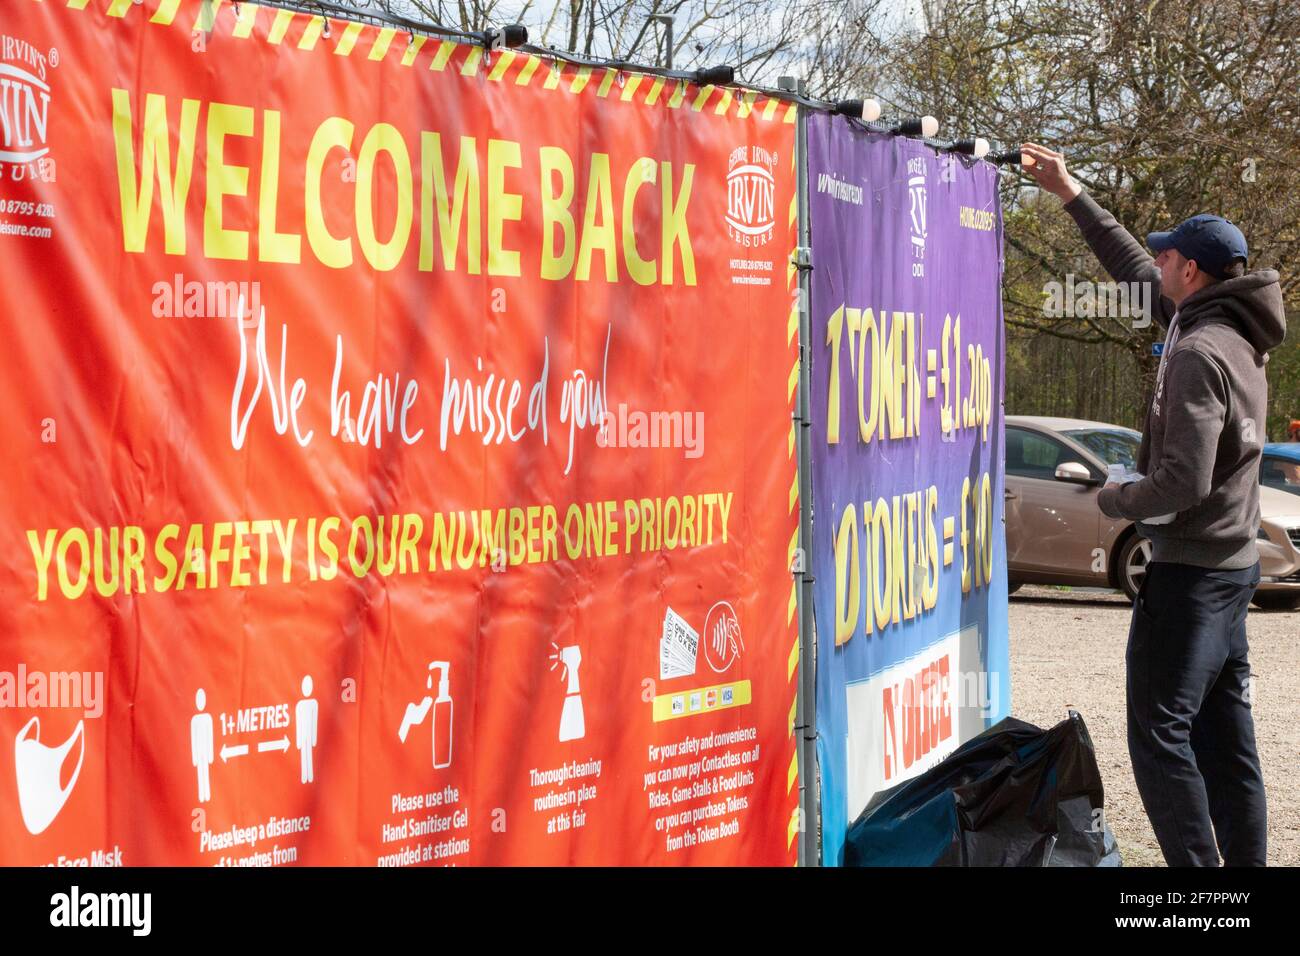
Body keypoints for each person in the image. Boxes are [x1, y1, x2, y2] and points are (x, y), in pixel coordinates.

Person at [1021, 143, 1285, 866]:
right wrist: (1070, 192)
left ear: (1190, 274)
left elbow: (1183, 481)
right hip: (1230, 573)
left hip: (1193, 578)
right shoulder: (1228, 330)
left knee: (1159, 737)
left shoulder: (1200, 351)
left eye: (1168, 258)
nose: (1157, 264)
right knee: (1226, 743)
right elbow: (1131, 268)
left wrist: (1115, 498)